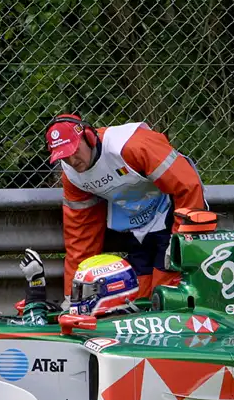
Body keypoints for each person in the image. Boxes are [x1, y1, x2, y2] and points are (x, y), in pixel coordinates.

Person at [45, 114, 206, 309]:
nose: (72, 160)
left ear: (88, 136)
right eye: (63, 157)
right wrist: (73, 299)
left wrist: (181, 243)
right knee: (138, 297)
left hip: (170, 213)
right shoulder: (72, 176)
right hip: (135, 226)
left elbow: (187, 186)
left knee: (168, 293)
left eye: (75, 150)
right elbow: (80, 236)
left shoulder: (133, 145)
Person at [11, 248, 141, 326]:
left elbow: (37, 334)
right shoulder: (113, 322)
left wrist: (36, 289)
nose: (76, 298)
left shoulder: (101, 329)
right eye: (76, 290)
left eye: (83, 291)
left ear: (110, 290)